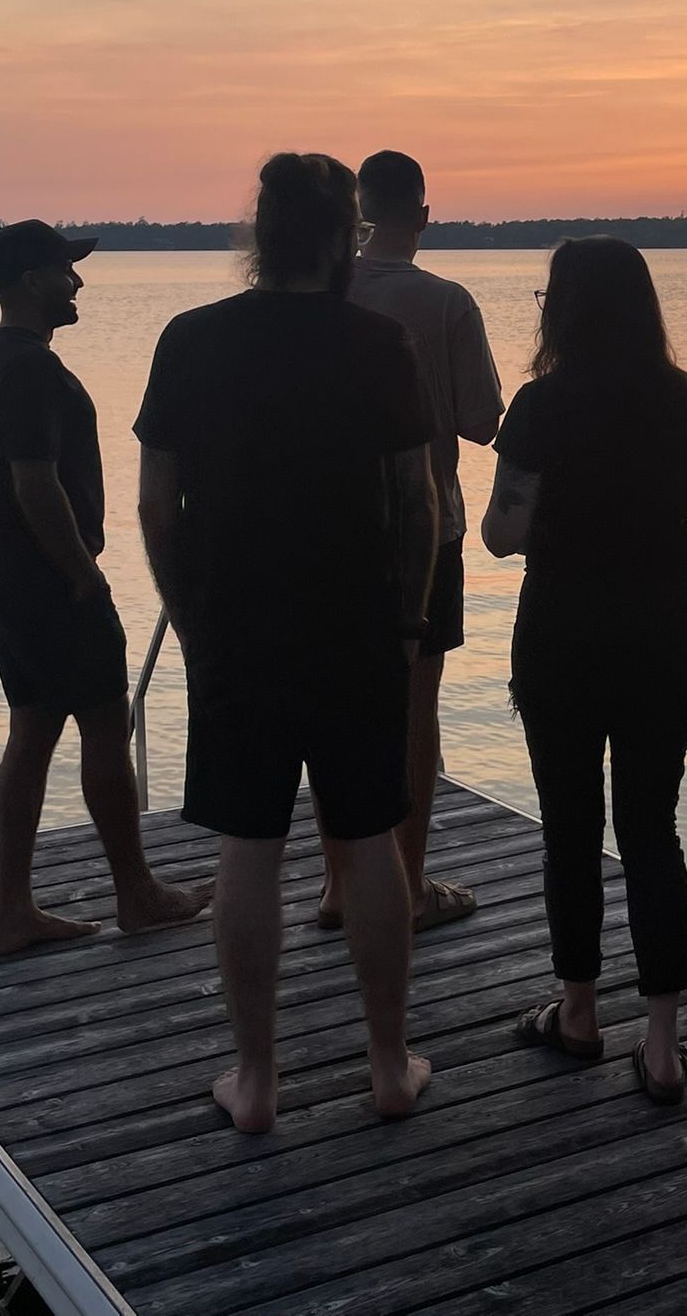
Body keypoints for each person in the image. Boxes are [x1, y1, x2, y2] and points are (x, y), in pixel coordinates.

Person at [135, 153, 437, 1131]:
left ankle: (258, 1081)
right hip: (356, 626)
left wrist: (190, 621)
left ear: (259, 237)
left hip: (238, 632)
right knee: (373, 842)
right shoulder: (379, 342)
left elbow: (157, 507)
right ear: (346, 236)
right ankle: (390, 1067)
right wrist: (407, 620)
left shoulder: (191, 340)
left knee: (249, 849)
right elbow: (416, 505)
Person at [482, 236, 687, 1105]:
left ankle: (579, 1012)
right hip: (666, 635)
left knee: (569, 826)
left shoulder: (540, 407)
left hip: (561, 633)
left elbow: (504, 534)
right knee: (650, 827)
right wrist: (671, 598)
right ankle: (662, 1045)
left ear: (562, 307)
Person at [0, 220, 213, 957]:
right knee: (104, 719)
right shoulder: (30, 369)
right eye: (66, 269)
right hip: (41, 570)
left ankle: (14, 910)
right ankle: (138, 893)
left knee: (33, 725)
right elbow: (34, 483)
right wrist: (81, 572)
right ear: (32, 280)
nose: (77, 281)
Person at [316, 149, 505, 934]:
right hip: (426, 531)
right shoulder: (446, 302)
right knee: (413, 709)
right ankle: (412, 881)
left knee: (334, 709)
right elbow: (483, 420)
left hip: (327, 530)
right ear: (423, 216)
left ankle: (335, 886)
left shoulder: (321, 295)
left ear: (361, 213)